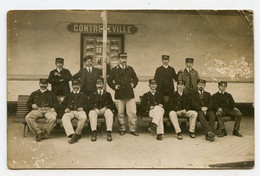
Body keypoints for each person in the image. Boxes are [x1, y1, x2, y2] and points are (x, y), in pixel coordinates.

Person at [107, 53, 139, 136]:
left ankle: (133, 129)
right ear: (119, 59)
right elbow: (109, 80)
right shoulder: (115, 69)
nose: (124, 60)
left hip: (129, 94)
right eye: (122, 58)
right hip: (119, 94)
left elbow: (135, 78)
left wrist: (133, 84)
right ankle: (122, 128)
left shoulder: (130, 69)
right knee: (120, 113)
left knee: (132, 112)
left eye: (125, 58)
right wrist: (114, 86)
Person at [88, 77, 116, 142]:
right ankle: (94, 133)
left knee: (109, 112)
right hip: (96, 111)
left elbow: (111, 104)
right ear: (96, 85)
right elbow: (89, 104)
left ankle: (109, 133)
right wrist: (95, 108)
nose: (99, 85)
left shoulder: (107, 94)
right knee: (92, 113)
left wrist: (105, 108)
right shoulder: (92, 94)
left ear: (103, 84)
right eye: (98, 84)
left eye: (101, 83)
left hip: (104, 110)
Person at [61, 79, 87, 144]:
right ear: (72, 86)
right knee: (65, 117)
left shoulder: (83, 95)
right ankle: (72, 134)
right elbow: (62, 104)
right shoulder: (68, 95)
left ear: (79, 85)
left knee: (83, 117)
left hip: (80, 111)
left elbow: (88, 105)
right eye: (74, 85)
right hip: (70, 111)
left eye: (77, 85)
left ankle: (77, 133)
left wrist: (83, 108)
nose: (75, 87)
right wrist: (65, 108)